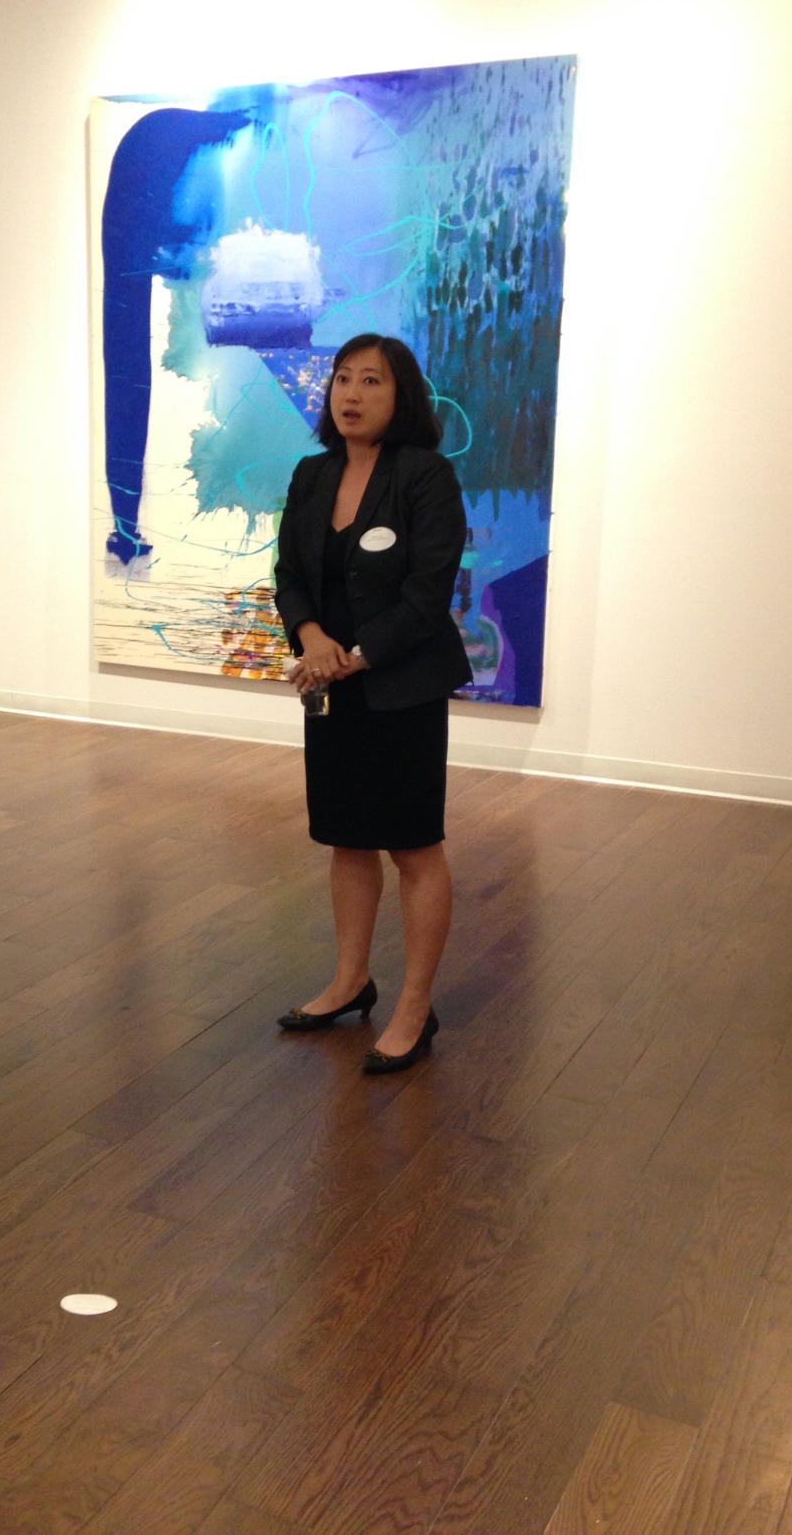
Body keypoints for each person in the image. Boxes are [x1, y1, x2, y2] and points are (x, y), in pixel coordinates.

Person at [274, 334, 471, 1074]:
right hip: (330, 688)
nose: (351, 394)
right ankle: (350, 981)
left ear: (401, 394)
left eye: (371, 381)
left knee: (413, 846)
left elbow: (427, 593)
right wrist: (311, 637)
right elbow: (290, 573)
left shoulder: (425, 476)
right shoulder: (312, 473)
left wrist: (350, 656)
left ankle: (416, 1006)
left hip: (400, 687)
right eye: (342, 379)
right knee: (348, 839)